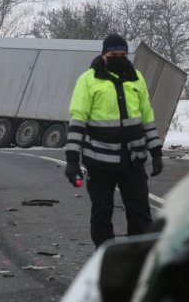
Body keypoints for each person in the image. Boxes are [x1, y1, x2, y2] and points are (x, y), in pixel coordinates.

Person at [64, 34, 164, 248]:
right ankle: (106, 259)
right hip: (99, 162)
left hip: (133, 160)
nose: (119, 58)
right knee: (102, 213)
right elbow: (78, 120)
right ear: (104, 55)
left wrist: (156, 152)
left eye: (122, 54)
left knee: (140, 214)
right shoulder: (88, 80)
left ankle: (138, 260)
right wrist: (72, 160)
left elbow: (147, 118)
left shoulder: (136, 78)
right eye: (113, 54)